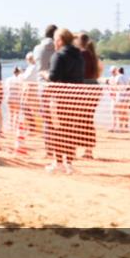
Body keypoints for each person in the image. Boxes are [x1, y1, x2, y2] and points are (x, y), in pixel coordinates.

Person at [40, 28, 85, 173]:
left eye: (55, 39)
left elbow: (53, 77)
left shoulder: (58, 56)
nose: (54, 42)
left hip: (58, 99)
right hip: (76, 98)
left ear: (59, 40)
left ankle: (58, 162)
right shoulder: (79, 56)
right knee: (70, 130)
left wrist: (44, 74)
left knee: (57, 130)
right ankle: (69, 163)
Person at [74, 33, 103, 159]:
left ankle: (74, 148)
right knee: (87, 119)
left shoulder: (80, 54)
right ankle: (88, 150)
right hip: (93, 88)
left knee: (76, 120)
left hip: (82, 89)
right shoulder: (93, 55)